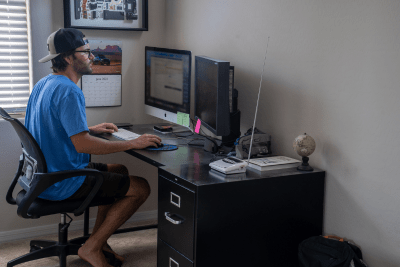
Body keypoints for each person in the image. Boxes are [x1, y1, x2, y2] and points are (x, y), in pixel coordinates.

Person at [25, 28, 162, 267]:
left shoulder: (45, 84)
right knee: (141, 187)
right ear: (68, 57)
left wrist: (90, 130)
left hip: (42, 176)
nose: (91, 56)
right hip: (62, 181)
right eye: (86, 52)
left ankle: (99, 240)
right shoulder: (69, 90)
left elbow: (54, 129)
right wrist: (133, 142)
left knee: (118, 170)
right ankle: (91, 248)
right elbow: (82, 146)